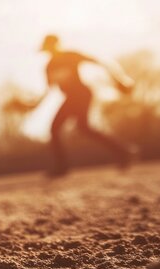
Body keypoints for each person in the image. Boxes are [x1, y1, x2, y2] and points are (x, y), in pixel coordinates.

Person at [35, 34, 136, 176]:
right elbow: (46, 92)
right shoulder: (49, 67)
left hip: (82, 94)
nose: (51, 48)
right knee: (78, 128)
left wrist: (120, 79)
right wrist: (26, 105)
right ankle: (124, 152)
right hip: (70, 98)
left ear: (57, 44)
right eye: (48, 46)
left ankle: (62, 168)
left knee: (64, 128)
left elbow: (100, 62)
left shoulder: (70, 55)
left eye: (52, 44)